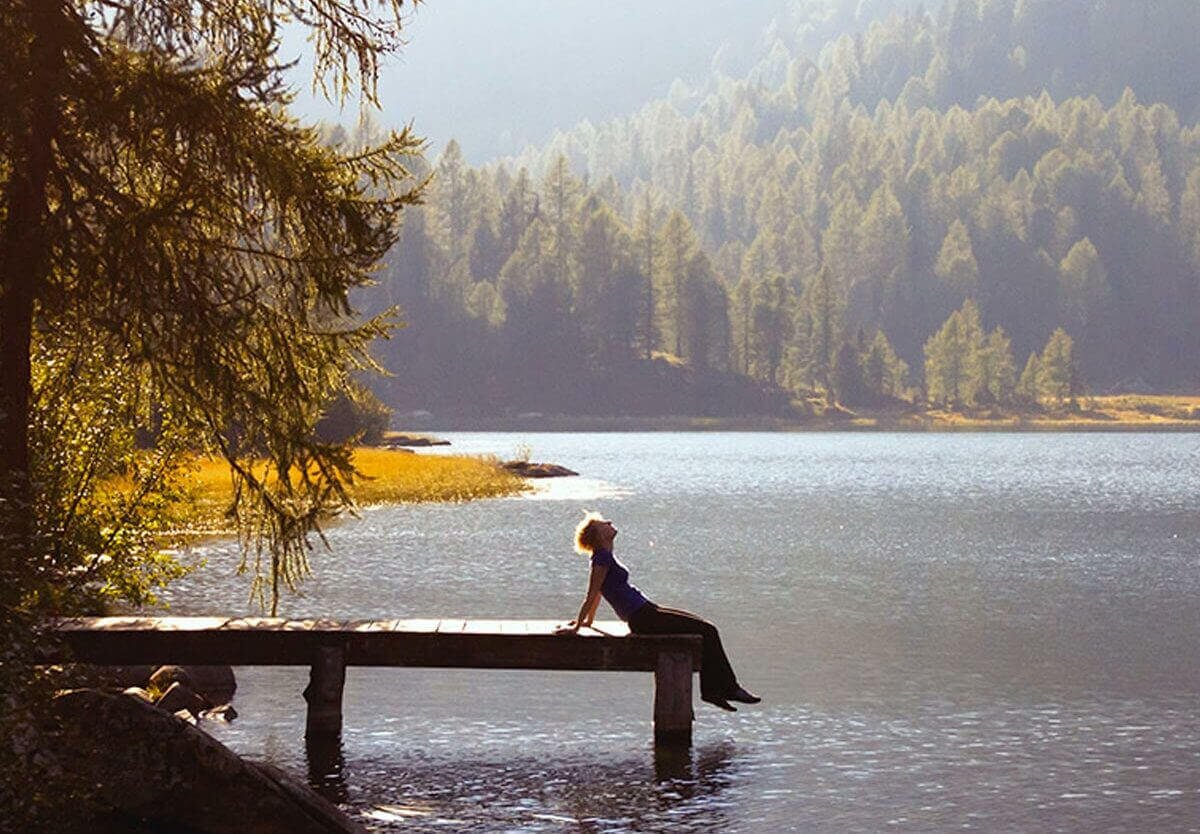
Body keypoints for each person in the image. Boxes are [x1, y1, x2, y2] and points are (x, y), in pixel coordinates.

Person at [556, 512, 760, 712]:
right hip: (642, 618)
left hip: (647, 611)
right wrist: (577, 626)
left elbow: (600, 593)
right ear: (599, 534)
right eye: (603, 523)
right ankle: (726, 689)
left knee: (705, 628)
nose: (609, 522)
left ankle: (715, 690)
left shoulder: (606, 555)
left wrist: (587, 622)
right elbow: (592, 594)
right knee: (708, 630)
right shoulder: (601, 558)